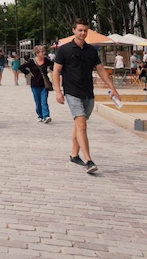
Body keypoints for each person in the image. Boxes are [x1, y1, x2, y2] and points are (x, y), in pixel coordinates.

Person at [53, 18, 119, 174]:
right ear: (73, 30)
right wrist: (58, 91)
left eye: (85, 30)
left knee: (79, 125)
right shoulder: (64, 50)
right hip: (72, 92)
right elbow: (56, 71)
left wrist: (112, 89)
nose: (83, 33)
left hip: (88, 93)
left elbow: (101, 70)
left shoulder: (91, 51)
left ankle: (75, 155)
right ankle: (89, 160)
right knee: (82, 125)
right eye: (80, 30)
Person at [19, 45, 54, 123]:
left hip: (44, 84)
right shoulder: (31, 62)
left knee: (44, 101)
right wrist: (28, 72)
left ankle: (46, 116)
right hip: (35, 84)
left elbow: (54, 65)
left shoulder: (46, 60)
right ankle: (40, 115)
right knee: (38, 102)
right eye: (42, 52)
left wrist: (51, 70)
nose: (44, 53)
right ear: (37, 53)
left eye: (44, 51)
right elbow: (21, 67)